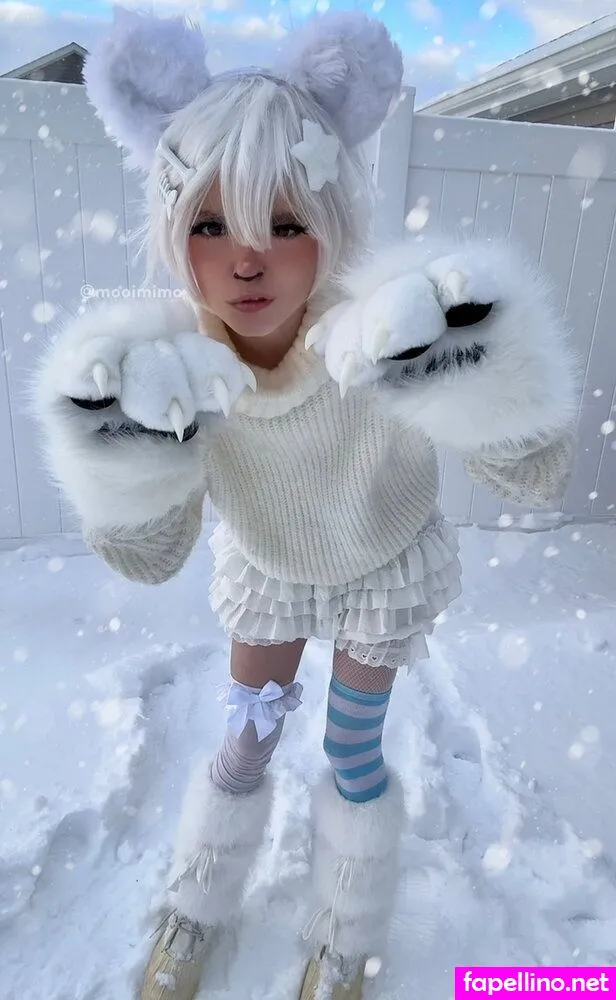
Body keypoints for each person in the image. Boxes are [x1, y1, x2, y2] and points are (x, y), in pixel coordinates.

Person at [31, 6, 578, 1000]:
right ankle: (195, 905)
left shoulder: (382, 333)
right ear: (172, 229)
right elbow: (149, 555)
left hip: (380, 563)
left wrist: (481, 371)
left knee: (352, 751)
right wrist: (121, 455)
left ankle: (343, 934)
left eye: (284, 224)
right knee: (245, 742)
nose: (247, 260)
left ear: (329, 225)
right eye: (210, 224)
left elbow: (530, 473)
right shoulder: (173, 369)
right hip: (270, 565)